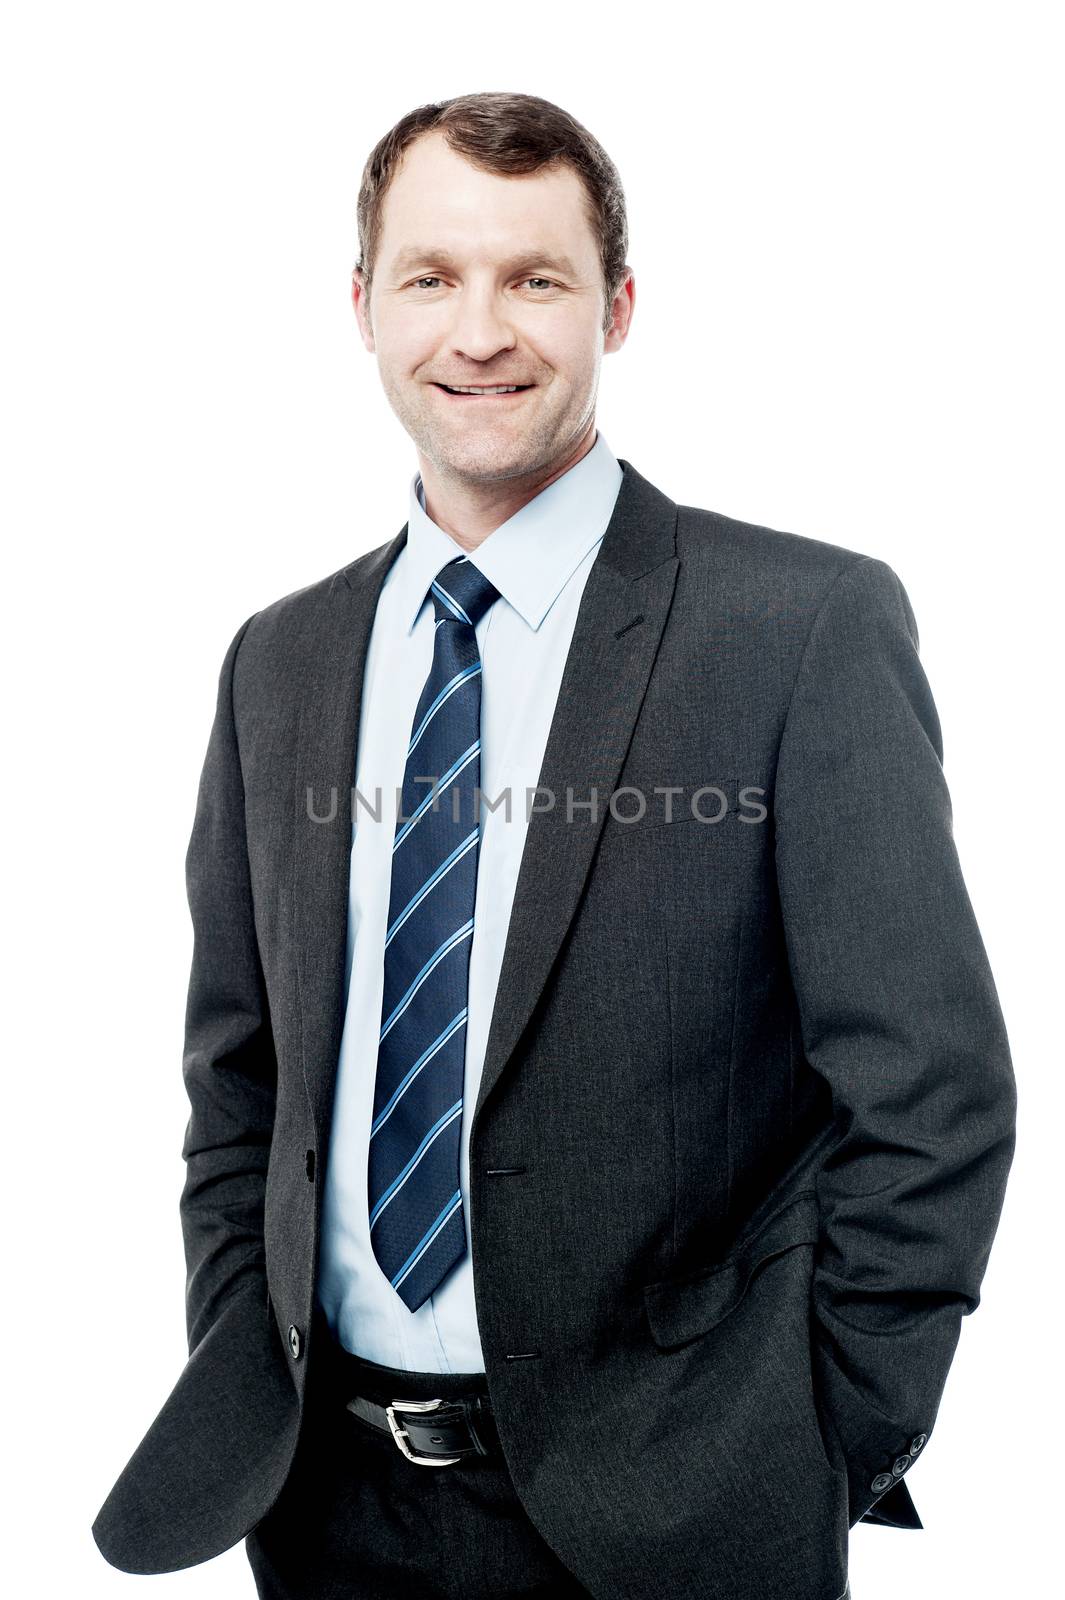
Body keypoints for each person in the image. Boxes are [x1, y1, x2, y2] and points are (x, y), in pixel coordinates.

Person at [91, 91, 1016, 1600]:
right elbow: (236, 1077)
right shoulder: (282, 661)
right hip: (323, 1509)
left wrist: (818, 1438)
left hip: (675, 1520)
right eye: (430, 277)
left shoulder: (796, 631)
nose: (479, 333)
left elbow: (930, 1089)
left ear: (618, 306)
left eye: (534, 279)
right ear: (362, 306)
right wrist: (239, 1346)